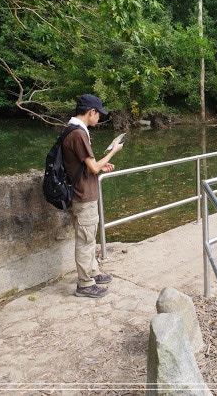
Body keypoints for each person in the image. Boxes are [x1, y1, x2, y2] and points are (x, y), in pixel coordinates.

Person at [62, 94, 124, 298]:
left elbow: (88, 166)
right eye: (99, 114)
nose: (99, 118)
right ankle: (85, 284)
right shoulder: (78, 134)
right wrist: (113, 152)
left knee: (89, 237)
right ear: (91, 112)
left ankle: (93, 272)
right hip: (83, 195)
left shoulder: (72, 130)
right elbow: (93, 167)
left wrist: (100, 166)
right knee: (85, 241)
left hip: (81, 191)